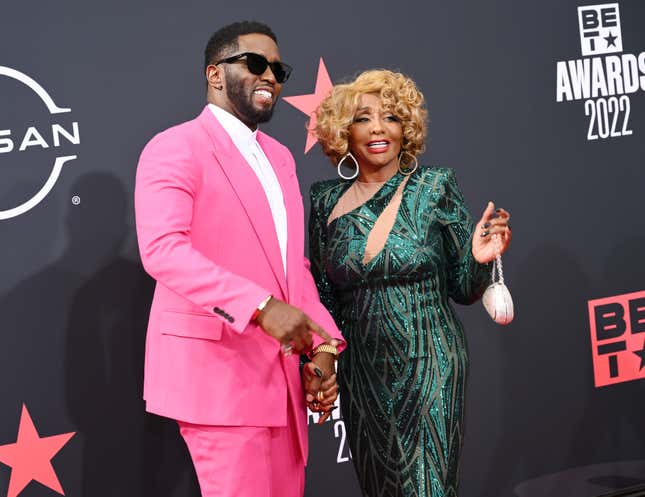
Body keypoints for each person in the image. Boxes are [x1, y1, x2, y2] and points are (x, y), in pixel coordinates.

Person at [134, 21, 344, 497]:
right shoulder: (174, 147)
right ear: (214, 74)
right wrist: (263, 307)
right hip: (220, 379)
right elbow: (163, 250)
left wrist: (322, 346)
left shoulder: (280, 157)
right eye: (254, 63)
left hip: (285, 381)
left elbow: (295, 269)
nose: (269, 75)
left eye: (278, 68)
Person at [309, 69, 512, 497]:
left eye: (392, 117)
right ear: (344, 130)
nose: (379, 128)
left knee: (428, 487)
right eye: (364, 118)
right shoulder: (324, 200)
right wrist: (324, 360)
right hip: (362, 369)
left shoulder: (434, 187)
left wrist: (477, 261)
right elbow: (323, 297)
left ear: (408, 129)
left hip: (431, 359)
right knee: (382, 488)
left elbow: (462, 287)